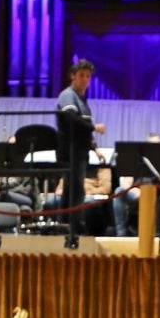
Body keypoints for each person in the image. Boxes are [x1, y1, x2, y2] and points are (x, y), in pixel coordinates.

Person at [54, 59, 106, 249]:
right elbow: (71, 120)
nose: (85, 80)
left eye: (88, 76)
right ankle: (74, 229)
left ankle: (66, 227)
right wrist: (94, 127)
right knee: (75, 191)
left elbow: (83, 130)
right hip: (71, 150)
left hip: (80, 150)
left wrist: (94, 146)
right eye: (81, 75)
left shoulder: (82, 100)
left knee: (72, 190)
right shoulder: (68, 96)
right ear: (72, 76)